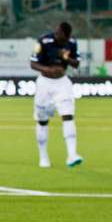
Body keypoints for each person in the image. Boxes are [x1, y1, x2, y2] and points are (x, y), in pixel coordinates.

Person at [31, 22, 83, 168]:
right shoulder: (44, 41)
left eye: (66, 39)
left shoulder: (72, 43)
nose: (63, 41)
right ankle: (43, 156)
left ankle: (72, 155)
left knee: (68, 116)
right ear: (58, 33)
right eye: (61, 38)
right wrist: (48, 70)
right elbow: (33, 64)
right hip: (44, 84)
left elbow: (76, 64)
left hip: (62, 84)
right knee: (42, 121)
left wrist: (66, 58)